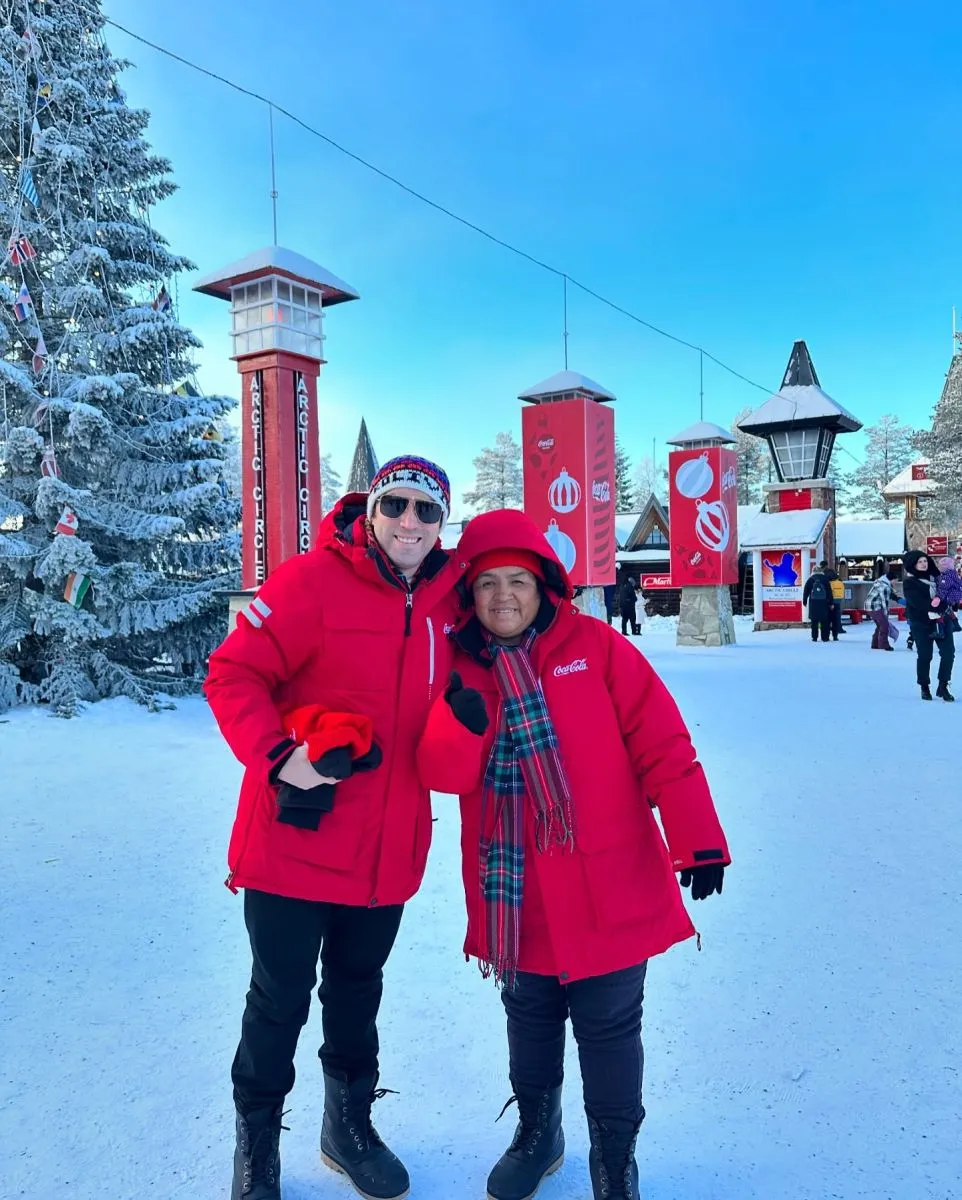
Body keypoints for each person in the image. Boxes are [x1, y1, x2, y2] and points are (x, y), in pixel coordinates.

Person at [417, 509, 730, 1200]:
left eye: (518, 581)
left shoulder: (598, 648)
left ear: (544, 587)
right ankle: (538, 1132)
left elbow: (663, 745)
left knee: (610, 1028)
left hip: (608, 880)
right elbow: (443, 775)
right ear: (470, 593)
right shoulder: (460, 666)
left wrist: (699, 840)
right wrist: (456, 726)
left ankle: (614, 1158)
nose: (503, 596)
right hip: (515, 890)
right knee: (528, 1020)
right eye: (487, 583)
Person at [205, 455, 460, 1200]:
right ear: (370, 512)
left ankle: (346, 1127)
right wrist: (278, 756)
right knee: (278, 996)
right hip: (297, 840)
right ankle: (257, 1147)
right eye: (395, 505)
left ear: (442, 524)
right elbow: (232, 673)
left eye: (426, 510)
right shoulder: (309, 581)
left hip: (386, 849)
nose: (409, 521)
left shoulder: (449, 602)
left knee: (357, 993)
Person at [902, 549, 955, 702]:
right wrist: (940, 606)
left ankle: (943, 685)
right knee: (925, 655)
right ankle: (924, 686)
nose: (923, 564)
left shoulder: (938, 577)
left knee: (948, 653)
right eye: (919, 562)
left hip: (942, 620)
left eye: (925, 560)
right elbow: (918, 602)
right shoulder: (910, 582)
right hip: (921, 622)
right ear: (913, 564)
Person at [866, 566, 900, 650]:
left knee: (880, 625)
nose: (896, 583)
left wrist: (896, 598)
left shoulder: (882, 582)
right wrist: (886, 613)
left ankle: (875, 644)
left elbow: (889, 594)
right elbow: (884, 602)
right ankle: (884, 645)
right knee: (884, 625)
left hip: (869, 606)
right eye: (896, 581)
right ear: (891, 579)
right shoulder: (885, 586)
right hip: (875, 607)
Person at [803, 564, 835, 642]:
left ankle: (814, 637)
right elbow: (829, 592)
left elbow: (806, 591)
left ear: (813, 571)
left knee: (814, 621)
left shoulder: (810, 579)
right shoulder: (825, 579)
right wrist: (831, 603)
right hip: (824, 603)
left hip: (813, 603)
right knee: (824, 621)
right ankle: (825, 637)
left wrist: (805, 601)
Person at [823, 561, 846, 637]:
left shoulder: (828, 581)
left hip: (831, 599)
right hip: (839, 599)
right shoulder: (839, 580)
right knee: (837, 615)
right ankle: (839, 628)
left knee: (829, 615)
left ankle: (829, 628)